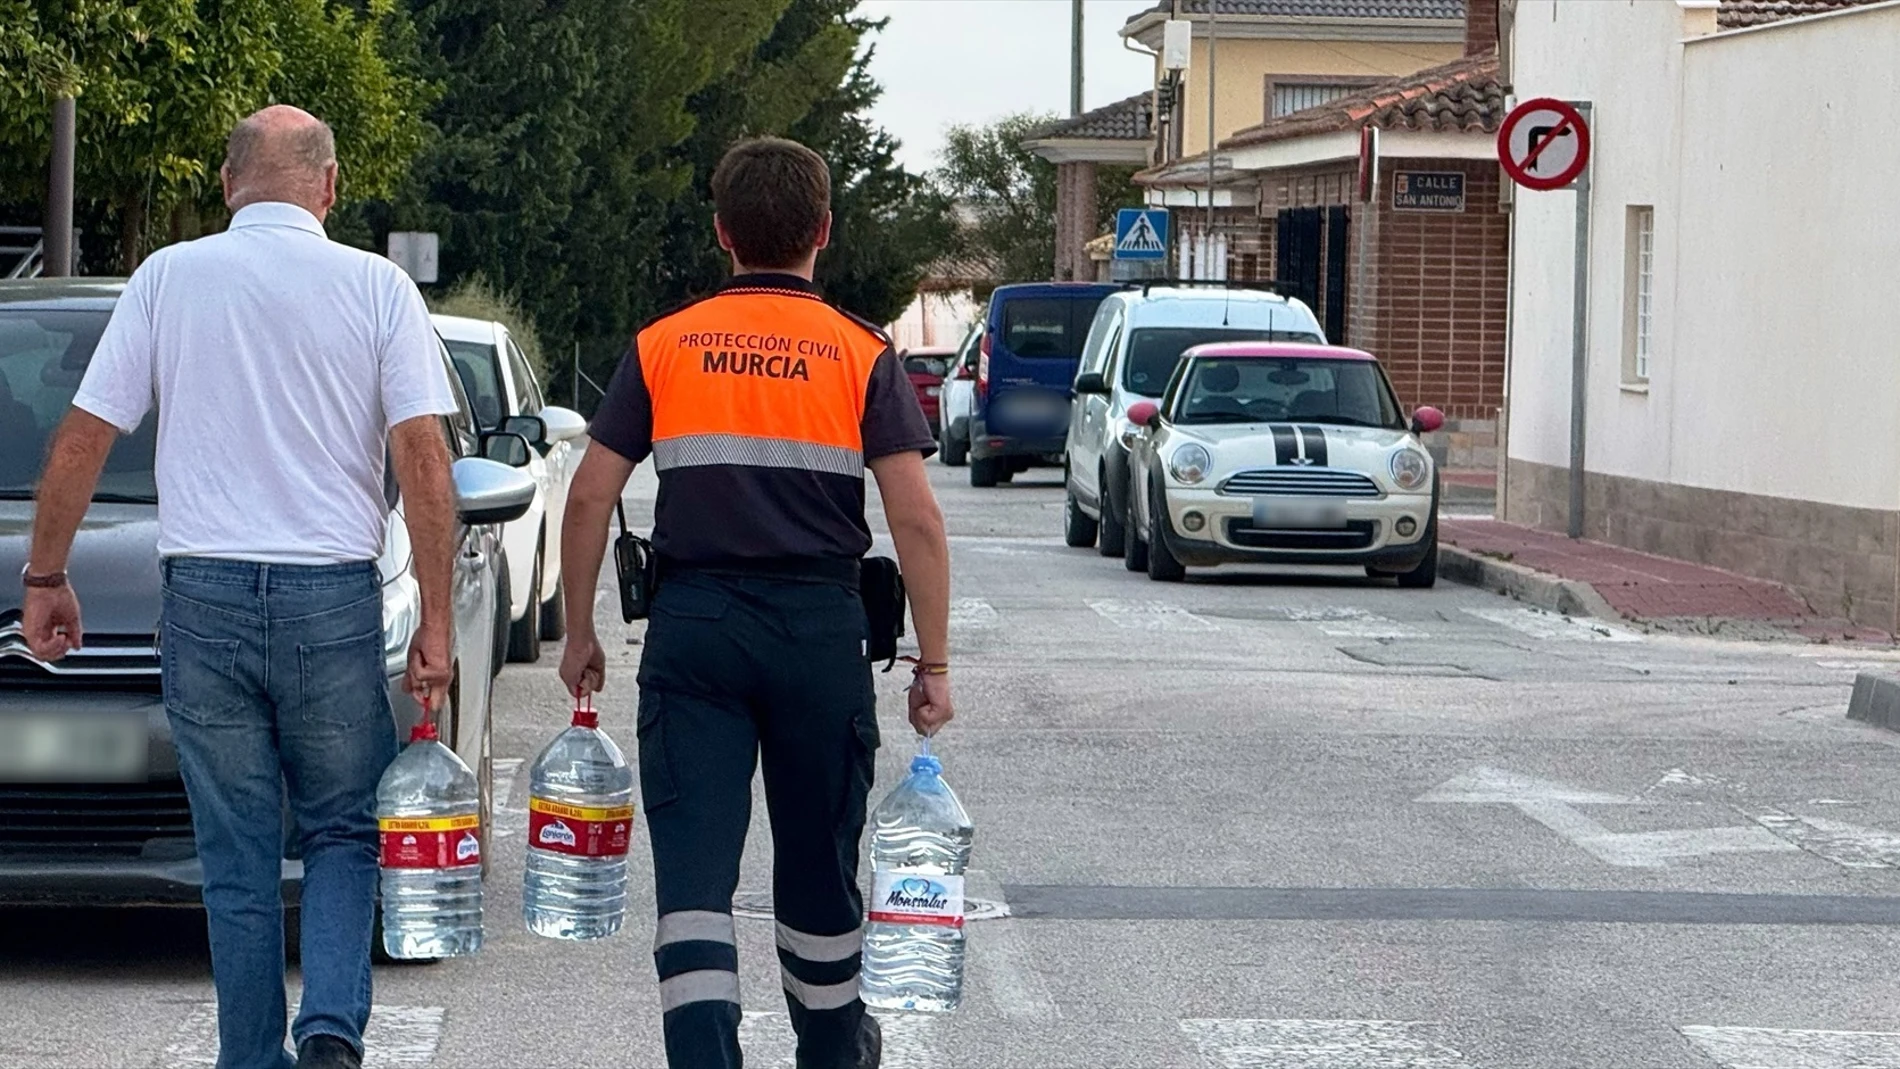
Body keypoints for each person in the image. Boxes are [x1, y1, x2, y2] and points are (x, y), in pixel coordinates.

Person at [21, 106, 460, 1069]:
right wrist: (434, 616)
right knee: (344, 828)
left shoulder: (168, 278)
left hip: (204, 597)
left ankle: (251, 1056)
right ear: (331, 188)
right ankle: (333, 1033)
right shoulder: (379, 287)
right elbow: (424, 459)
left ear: (227, 185)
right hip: (334, 600)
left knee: (237, 854)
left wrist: (47, 573)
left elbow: (84, 435)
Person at [559, 136, 954, 1069]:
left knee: (693, 885)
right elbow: (918, 521)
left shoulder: (663, 346)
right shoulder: (863, 354)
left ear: (721, 233)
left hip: (695, 631)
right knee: (820, 876)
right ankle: (831, 1050)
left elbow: (586, 496)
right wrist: (932, 664)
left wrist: (579, 631)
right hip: (820, 633)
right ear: (823, 231)